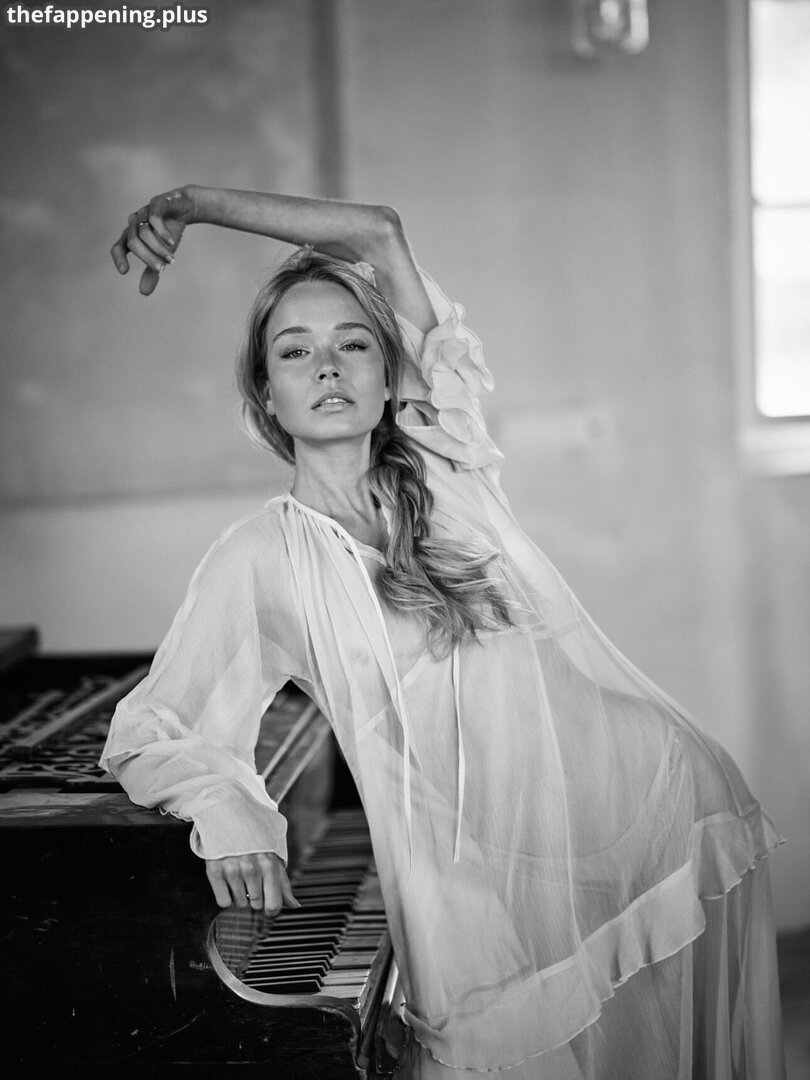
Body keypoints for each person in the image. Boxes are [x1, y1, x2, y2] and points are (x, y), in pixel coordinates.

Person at [102, 186, 785, 1080]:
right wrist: (231, 812)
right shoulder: (258, 558)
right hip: (474, 888)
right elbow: (152, 727)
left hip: (650, 819)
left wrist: (192, 203)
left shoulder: (446, 458)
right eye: (295, 351)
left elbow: (376, 231)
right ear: (266, 395)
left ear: (392, 377)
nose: (328, 367)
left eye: (354, 344)